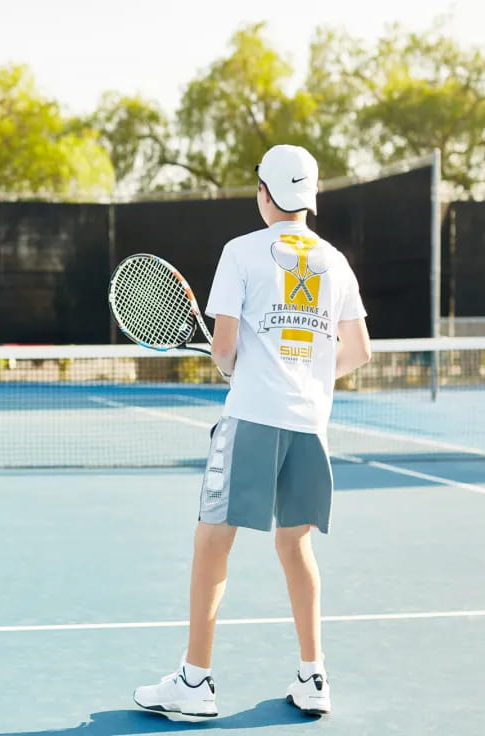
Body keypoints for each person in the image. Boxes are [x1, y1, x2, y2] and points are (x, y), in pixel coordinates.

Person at [133, 144, 372, 718]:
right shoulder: (334, 261)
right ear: (309, 198)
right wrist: (305, 372)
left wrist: (237, 367)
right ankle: (314, 677)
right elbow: (359, 351)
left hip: (254, 417)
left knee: (213, 538)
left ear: (263, 193)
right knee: (296, 544)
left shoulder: (240, 252)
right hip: (310, 424)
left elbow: (223, 349)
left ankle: (194, 683)